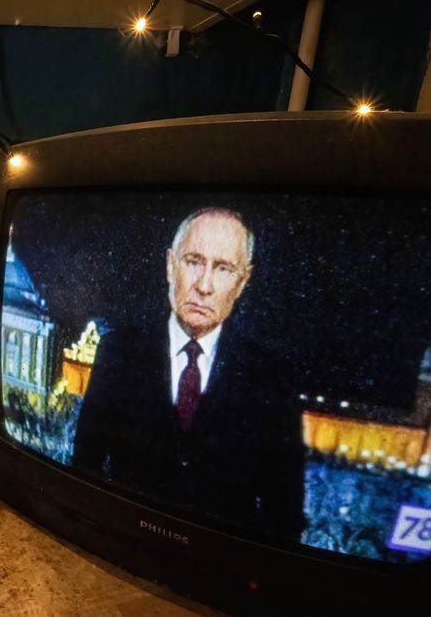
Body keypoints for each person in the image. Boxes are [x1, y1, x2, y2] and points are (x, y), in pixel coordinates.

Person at [72, 207, 304, 539]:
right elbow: (85, 463)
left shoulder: (274, 380)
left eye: (223, 268)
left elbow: (284, 512)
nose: (204, 285)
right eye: (193, 261)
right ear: (170, 265)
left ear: (242, 281)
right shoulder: (118, 352)